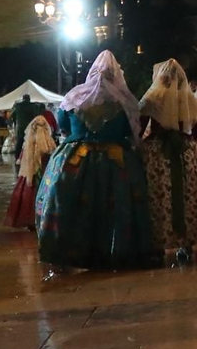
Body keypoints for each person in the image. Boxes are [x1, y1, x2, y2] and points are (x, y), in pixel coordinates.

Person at [35, 50, 159, 269]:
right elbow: (132, 131)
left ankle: (65, 252)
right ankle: (116, 252)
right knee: (118, 204)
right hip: (116, 159)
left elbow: (62, 125)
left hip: (75, 158)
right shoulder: (124, 101)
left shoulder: (75, 96)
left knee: (65, 201)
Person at [138, 57, 197, 264]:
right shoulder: (189, 99)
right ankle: (186, 243)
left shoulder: (153, 97)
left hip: (158, 154)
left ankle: (158, 244)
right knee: (188, 195)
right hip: (185, 151)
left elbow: (139, 128)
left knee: (158, 196)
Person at [4, 113, 55, 229]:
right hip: (44, 175)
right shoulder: (49, 143)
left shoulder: (30, 144)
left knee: (29, 196)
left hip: (32, 174)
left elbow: (22, 160)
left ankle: (32, 220)